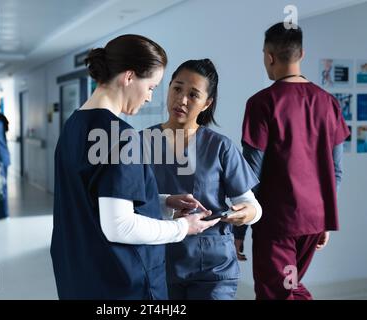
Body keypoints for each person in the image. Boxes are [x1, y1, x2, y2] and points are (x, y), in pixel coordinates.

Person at [50, 35, 219, 300]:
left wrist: (161, 203)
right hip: (121, 283)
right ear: (129, 77)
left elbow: (95, 200)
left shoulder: (74, 126)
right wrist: (184, 228)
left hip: (79, 275)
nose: (151, 97)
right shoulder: (120, 135)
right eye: (151, 86)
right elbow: (120, 226)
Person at [238, 22, 349, 300]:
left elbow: (251, 172)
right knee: (288, 287)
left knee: (279, 292)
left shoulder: (262, 103)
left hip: (277, 223)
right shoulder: (328, 103)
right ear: (302, 54)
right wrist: (324, 219)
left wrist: (238, 226)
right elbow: (336, 170)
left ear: (269, 56)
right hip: (312, 221)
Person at [142, 59, 262, 300]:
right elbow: (129, 204)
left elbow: (253, 207)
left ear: (207, 103)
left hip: (212, 267)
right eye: (177, 88)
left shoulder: (220, 147)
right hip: (157, 262)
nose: (181, 100)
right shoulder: (140, 143)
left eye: (193, 95)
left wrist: (243, 214)